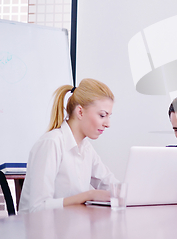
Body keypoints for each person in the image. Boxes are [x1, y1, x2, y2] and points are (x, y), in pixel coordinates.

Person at [19, 78, 118, 213]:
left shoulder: (86, 148)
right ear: (80, 112)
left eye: (109, 116)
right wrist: (87, 196)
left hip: (71, 229)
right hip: (42, 231)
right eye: (102, 115)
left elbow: (110, 184)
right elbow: (37, 208)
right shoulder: (51, 143)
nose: (108, 124)